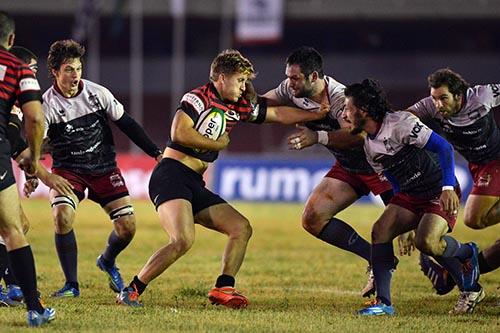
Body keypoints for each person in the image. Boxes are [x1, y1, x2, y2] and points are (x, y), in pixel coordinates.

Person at [116, 49, 329, 308]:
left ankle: (223, 288)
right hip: (171, 174)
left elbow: (276, 115)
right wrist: (216, 143)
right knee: (182, 240)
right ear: (221, 77)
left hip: (194, 182)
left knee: (241, 228)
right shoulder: (198, 97)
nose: (244, 87)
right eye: (240, 80)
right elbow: (180, 132)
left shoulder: (237, 106)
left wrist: (315, 115)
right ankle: (132, 290)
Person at [262, 46, 395, 298]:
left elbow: (357, 135)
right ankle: (376, 261)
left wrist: (318, 137)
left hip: (380, 164)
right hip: (349, 167)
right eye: (288, 77)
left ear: (314, 77)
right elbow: (262, 104)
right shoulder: (290, 89)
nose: (289, 84)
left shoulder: (338, 96)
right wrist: (243, 96)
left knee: (416, 230)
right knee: (312, 218)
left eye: (295, 78)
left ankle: (463, 270)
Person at [342, 79, 482, 316]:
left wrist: (448, 187)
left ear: (363, 111)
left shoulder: (400, 123)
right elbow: (394, 179)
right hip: (410, 195)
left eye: (347, 109)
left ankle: (468, 253)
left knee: (426, 242)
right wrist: (400, 214)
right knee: (381, 230)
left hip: (438, 190)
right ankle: (384, 304)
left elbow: (444, 148)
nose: (344, 114)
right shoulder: (369, 145)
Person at [42, 39, 163, 298]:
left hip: (104, 168)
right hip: (68, 170)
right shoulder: (46, 105)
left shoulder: (97, 93)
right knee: (62, 215)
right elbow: (37, 144)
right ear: (54, 71)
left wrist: (155, 152)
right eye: (68, 70)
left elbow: (127, 124)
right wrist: (36, 172)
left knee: (127, 227)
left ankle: (107, 260)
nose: (75, 76)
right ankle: (71, 285)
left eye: (78, 69)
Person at [404, 69, 500, 296]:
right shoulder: (430, 105)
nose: (437, 104)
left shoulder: (482, 95)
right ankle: (453, 276)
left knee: (474, 218)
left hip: (496, 160)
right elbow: (404, 118)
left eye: (443, 98)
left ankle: (456, 269)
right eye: (434, 98)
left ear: (459, 95)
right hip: (477, 166)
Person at [0, 45, 74, 305]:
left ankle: (12, 286)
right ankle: (23, 296)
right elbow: (10, 136)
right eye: (30, 70)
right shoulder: (14, 89)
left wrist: (31, 168)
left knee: (17, 225)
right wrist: (42, 173)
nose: (33, 76)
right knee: (13, 227)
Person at [0, 11, 55, 326]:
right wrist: (34, 159)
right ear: (10, 40)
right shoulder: (18, 69)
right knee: (13, 229)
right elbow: (35, 118)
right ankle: (34, 308)